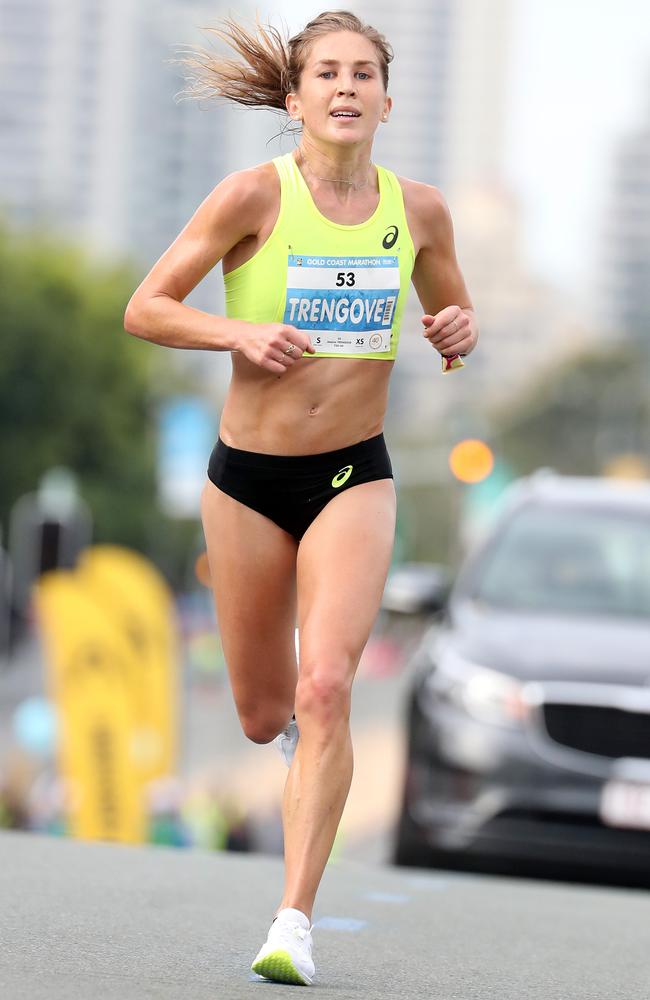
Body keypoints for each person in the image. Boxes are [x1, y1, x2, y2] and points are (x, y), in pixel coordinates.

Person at [124, 10, 479, 986]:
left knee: (328, 684)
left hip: (348, 474)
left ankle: (293, 921)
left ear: (384, 100)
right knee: (259, 711)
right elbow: (145, 307)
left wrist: (455, 330)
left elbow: (451, 323)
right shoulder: (250, 197)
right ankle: (287, 729)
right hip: (246, 479)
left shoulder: (422, 212)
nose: (345, 87)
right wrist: (236, 337)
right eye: (326, 73)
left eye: (362, 73)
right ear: (295, 99)